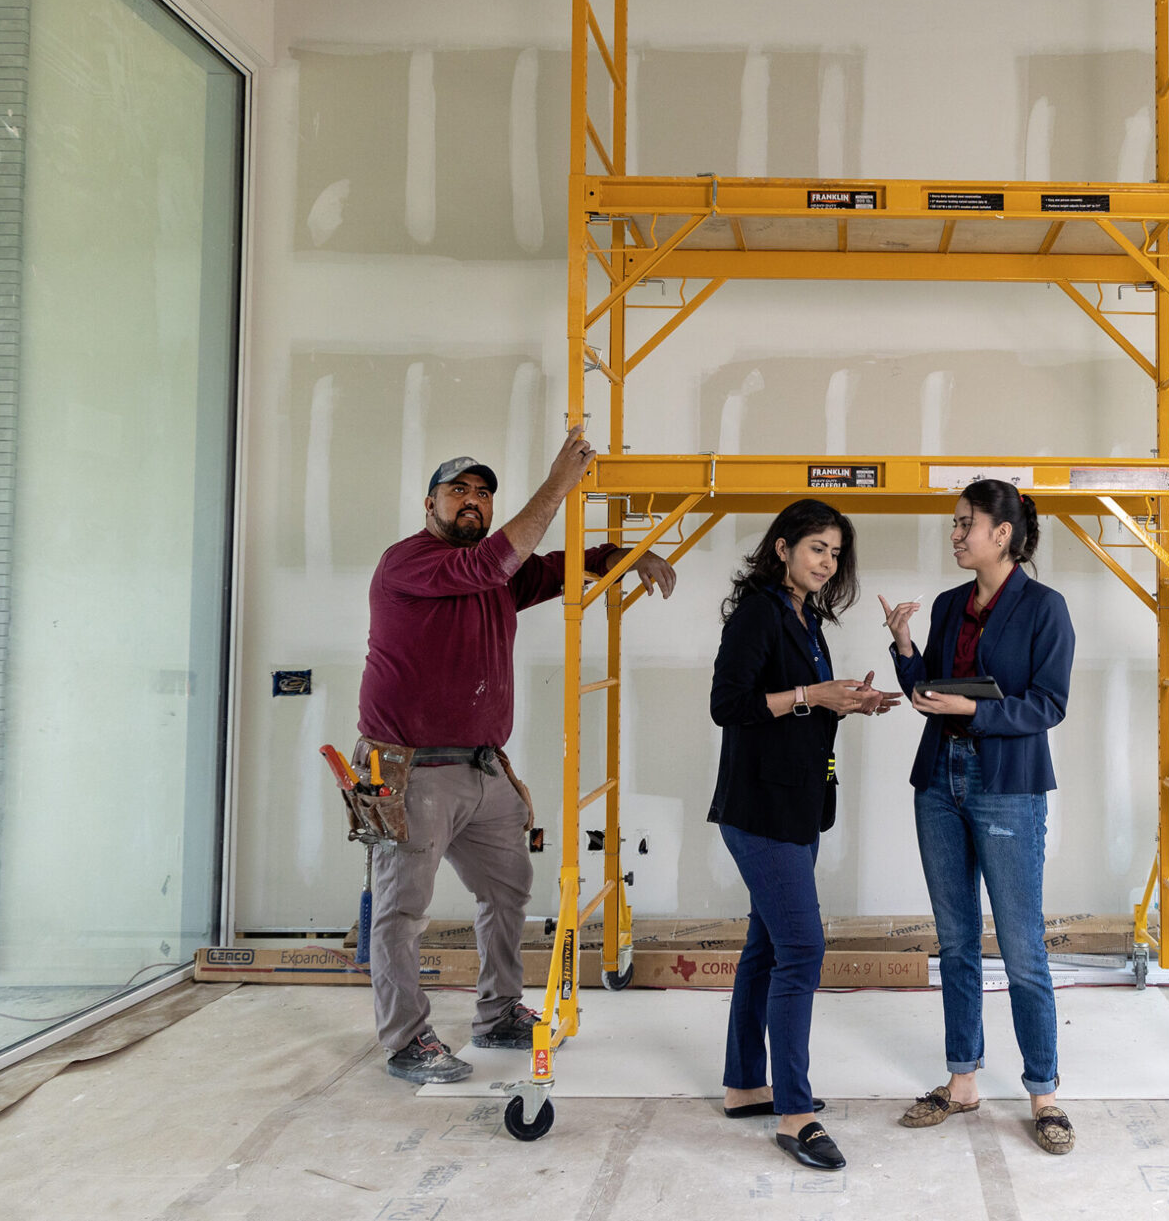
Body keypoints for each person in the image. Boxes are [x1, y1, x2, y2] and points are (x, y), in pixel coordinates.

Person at [358, 429, 678, 1084]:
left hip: (481, 767)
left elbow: (552, 566)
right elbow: (496, 563)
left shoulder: (494, 575)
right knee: (401, 909)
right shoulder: (409, 563)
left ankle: (498, 1012)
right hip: (406, 770)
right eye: (458, 491)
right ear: (430, 504)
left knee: (508, 888)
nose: (472, 500)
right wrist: (559, 481)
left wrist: (620, 554)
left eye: (481, 492)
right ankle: (405, 1040)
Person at [881, 479, 1077, 1155]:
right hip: (939, 781)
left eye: (967, 523)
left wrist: (977, 712)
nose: (957, 533)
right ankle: (962, 1081)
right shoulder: (945, 604)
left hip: (1006, 787)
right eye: (956, 523)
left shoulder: (1046, 609)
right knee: (957, 941)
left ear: (1004, 533)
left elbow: (1048, 705)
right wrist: (904, 644)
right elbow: (926, 693)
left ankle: (1044, 1092)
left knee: (1023, 949)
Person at [708, 498, 900, 1172]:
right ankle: (795, 1111)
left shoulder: (806, 617)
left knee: (766, 946)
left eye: (836, 552)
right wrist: (814, 696)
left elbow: (804, 705)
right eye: (818, 547)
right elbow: (727, 705)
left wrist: (848, 702)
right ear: (783, 547)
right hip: (758, 810)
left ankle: (743, 1085)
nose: (828, 561)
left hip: (796, 805)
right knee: (802, 947)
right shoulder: (760, 610)